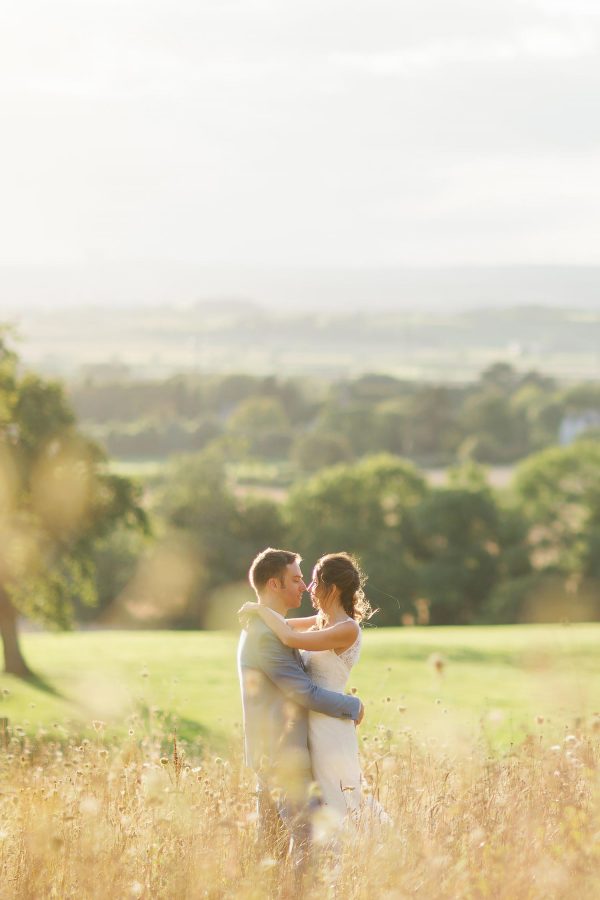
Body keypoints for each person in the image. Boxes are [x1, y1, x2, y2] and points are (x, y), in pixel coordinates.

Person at [237, 548, 364, 867]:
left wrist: (259, 610)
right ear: (273, 585)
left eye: (308, 581)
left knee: (273, 848)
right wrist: (354, 705)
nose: (304, 587)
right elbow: (303, 691)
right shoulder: (266, 635)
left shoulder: (270, 628)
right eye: (296, 579)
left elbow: (292, 631)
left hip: (287, 748)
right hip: (282, 754)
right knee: (307, 841)